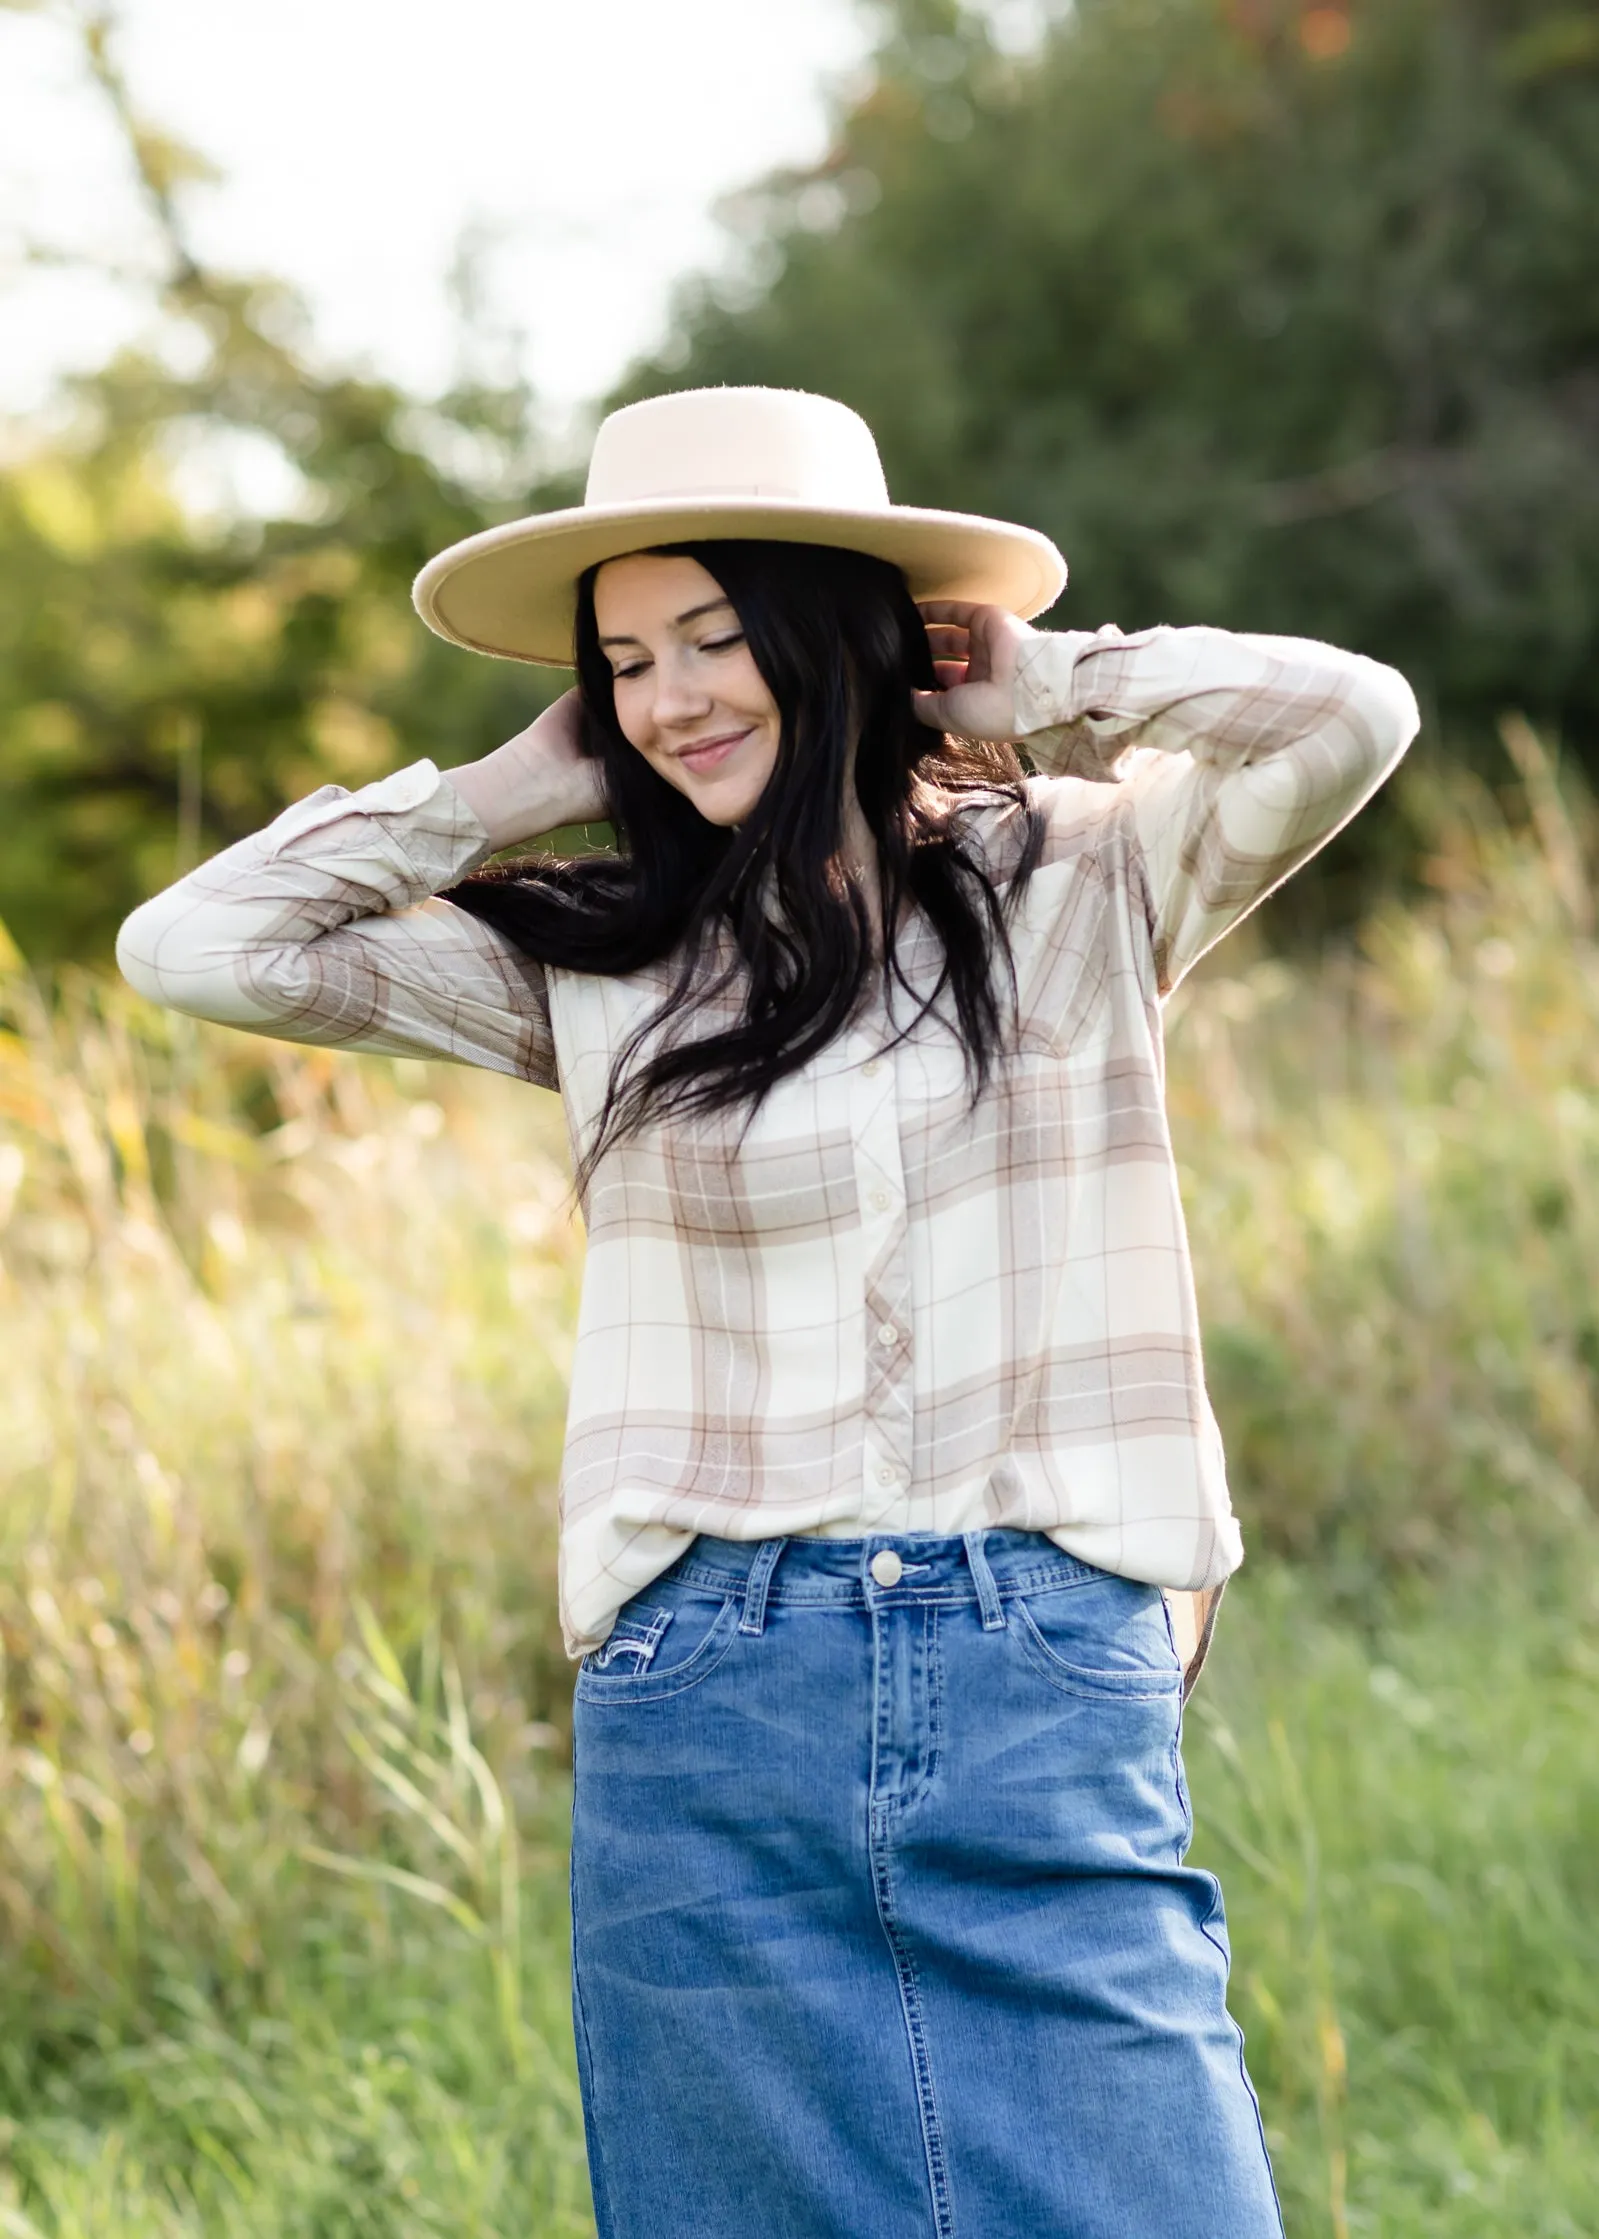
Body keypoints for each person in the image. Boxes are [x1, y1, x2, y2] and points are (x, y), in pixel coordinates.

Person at [118, 385, 1418, 2239]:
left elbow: (1350, 714)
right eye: (628, 661)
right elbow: (196, 946)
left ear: (845, 637)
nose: (674, 697)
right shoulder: (590, 952)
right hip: (704, 1684)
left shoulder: (1090, 867)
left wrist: (1036, 681)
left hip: (1038, 1655)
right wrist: (503, 791)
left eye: (722, 638)